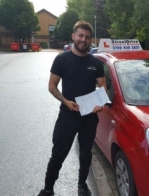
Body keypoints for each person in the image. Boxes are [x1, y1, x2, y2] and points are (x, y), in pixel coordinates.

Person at [38, 20, 106, 196]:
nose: (84, 40)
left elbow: (102, 87)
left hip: (89, 117)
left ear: (91, 40)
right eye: (81, 35)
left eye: (87, 37)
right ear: (73, 36)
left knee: (85, 154)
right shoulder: (62, 59)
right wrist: (65, 101)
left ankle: (82, 185)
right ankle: (48, 189)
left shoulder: (96, 63)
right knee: (58, 154)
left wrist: (100, 103)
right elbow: (52, 86)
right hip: (67, 115)